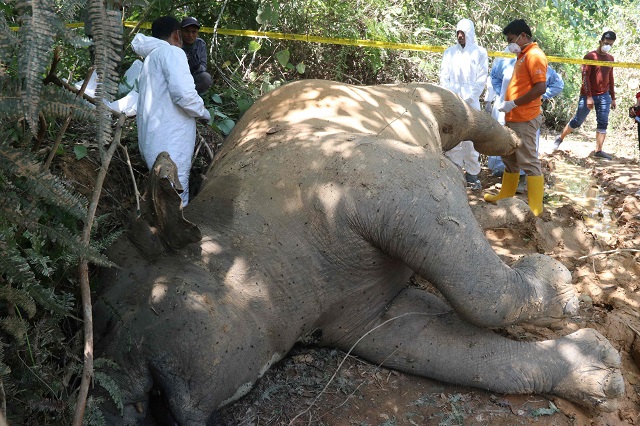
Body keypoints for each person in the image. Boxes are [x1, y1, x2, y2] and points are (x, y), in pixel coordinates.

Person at [133, 16, 211, 207]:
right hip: (171, 142)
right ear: (177, 34)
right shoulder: (172, 53)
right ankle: (178, 235)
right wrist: (203, 113)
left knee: (160, 199)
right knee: (176, 200)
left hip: (153, 142)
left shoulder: (151, 58)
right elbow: (183, 95)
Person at [484, 19, 548, 216]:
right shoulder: (522, 55)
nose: (510, 43)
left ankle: (536, 207)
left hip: (525, 118)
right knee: (510, 157)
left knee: (528, 160)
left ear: (523, 36)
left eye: (511, 39)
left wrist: (514, 103)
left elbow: (540, 88)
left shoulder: (535, 56)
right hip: (514, 117)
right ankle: (505, 194)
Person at [486, 56, 564, 193]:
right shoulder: (505, 64)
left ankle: (527, 190)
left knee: (525, 149)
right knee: (506, 147)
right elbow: (494, 77)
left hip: (527, 114)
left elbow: (557, 85)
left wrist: (538, 96)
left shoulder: (540, 68)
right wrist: (502, 95)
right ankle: (505, 185)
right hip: (505, 111)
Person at [440, 18, 488, 191]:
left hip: (472, 103)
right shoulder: (449, 52)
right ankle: (453, 172)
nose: (460, 36)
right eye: (458, 33)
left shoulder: (480, 53)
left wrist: (468, 98)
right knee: (452, 136)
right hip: (452, 101)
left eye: (463, 33)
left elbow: (481, 79)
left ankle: (472, 175)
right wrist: (451, 97)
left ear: (470, 34)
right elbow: (444, 76)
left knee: (470, 140)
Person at [553, 31, 617, 159]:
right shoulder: (590, 56)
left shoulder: (610, 59)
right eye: (606, 43)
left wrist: (613, 97)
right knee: (577, 121)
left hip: (604, 95)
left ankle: (598, 151)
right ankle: (560, 138)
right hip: (588, 94)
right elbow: (585, 77)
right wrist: (588, 96)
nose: (607, 46)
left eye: (610, 45)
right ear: (600, 41)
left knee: (603, 122)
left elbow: (610, 77)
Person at [180, 17, 212, 94]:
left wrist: (197, 67)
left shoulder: (200, 44)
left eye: (194, 32)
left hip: (194, 76)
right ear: (181, 31)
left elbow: (203, 66)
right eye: (187, 31)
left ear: (197, 33)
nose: (190, 35)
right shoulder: (176, 42)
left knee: (206, 78)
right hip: (178, 75)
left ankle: (193, 96)